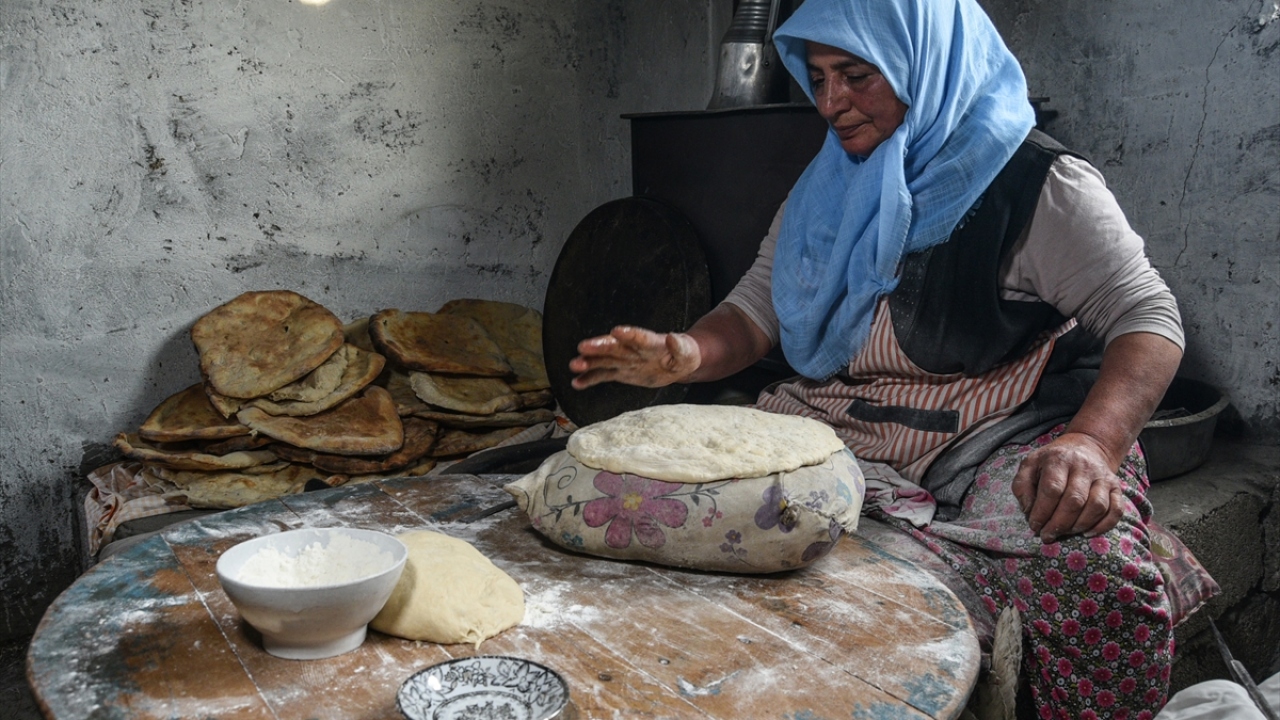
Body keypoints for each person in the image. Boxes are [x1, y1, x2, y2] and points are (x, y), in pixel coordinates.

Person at [570, 0, 1196, 718]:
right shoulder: (829, 183)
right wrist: (682, 355)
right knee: (656, 520)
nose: (831, 103)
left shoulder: (1037, 186)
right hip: (843, 425)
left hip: (990, 432)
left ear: (922, 63)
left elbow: (1148, 317)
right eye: (819, 78)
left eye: (856, 75)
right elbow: (754, 310)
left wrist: (1094, 443)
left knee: (1090, 569)